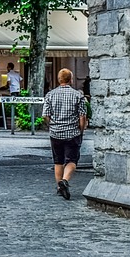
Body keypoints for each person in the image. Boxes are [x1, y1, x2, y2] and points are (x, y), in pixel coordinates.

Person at [42, 67, 88, 200]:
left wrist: (51, 124)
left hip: (55, 132)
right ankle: (65, 181)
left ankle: (59, 187)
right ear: (71, 80)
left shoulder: (50, 94)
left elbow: (45, 115)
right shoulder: (78, 95)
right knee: (72, 160)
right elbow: (82, 115)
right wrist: (81, 128)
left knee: (58, 161)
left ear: (59, 80)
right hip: (72, 132)